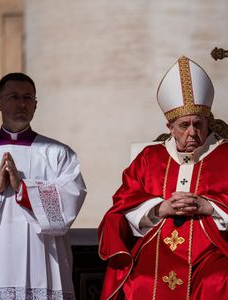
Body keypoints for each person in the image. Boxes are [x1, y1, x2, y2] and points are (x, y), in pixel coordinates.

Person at [98, 56, 228, 300]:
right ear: (169, 126)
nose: (192, 133)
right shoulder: (150, 157)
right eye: (184, 125)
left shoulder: (225, 154)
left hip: (212, 251)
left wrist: (209, 206)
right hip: (158, 247)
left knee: (219, 281)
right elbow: (122, 204)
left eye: (198, 124)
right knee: (140, 281)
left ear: (208, 122)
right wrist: (159, 208)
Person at [0, 73, 87, 299]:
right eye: (14, 97)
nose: (22, 103)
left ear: (36, 105)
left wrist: (23, 189)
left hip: (42, 256)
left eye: (28, 98)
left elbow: (71, 198)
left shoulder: (58, 153)